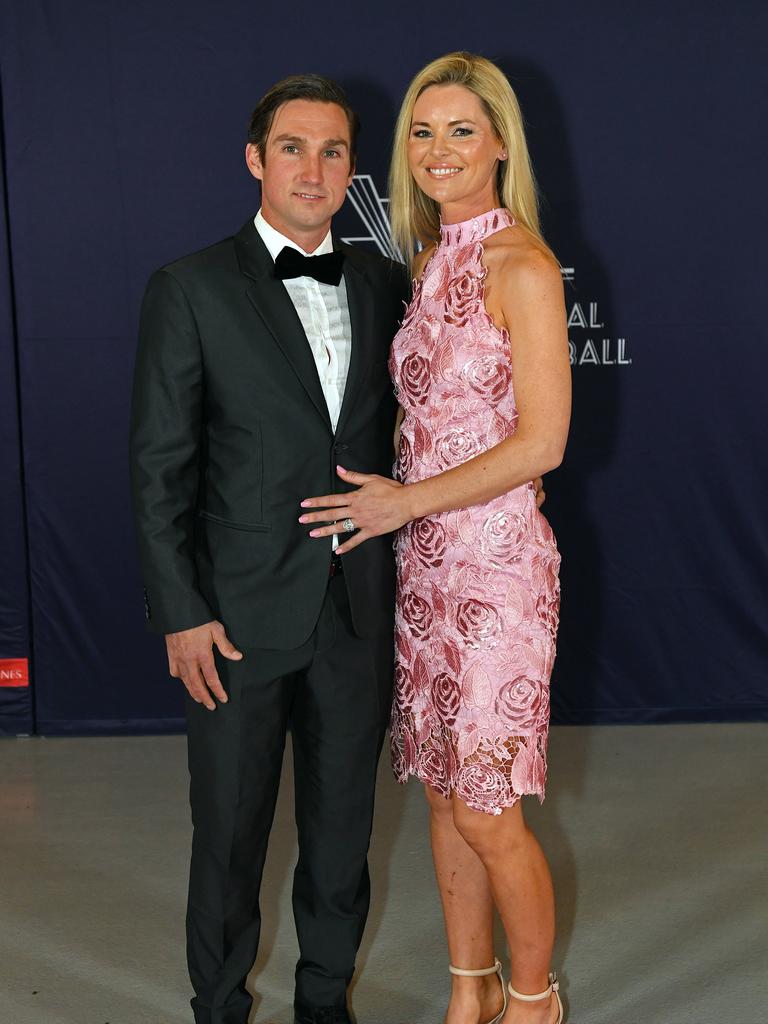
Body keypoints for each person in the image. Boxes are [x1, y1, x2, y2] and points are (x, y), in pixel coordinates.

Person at [129, 75, 410, 1024]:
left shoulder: (382, 282)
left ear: (352, 168)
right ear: (255, 160)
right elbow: (158, 469)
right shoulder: (191, 287)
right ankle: (219, 1006)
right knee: (231, 835)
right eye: (293, 147)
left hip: (358, 609)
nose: (314, 168)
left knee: (343, 832)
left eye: (334, 151)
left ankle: (325, 1002)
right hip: (236, 617)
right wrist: (181, 611)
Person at [300, 53, 570, 1024]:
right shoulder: (427, 265)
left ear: (501, 143)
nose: (439, 149)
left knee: (491, 809)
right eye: (423, 130)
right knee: (447, 803)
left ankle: (535, 1002)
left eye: (462, 129)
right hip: (426, 580)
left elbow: (543, 440)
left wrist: (405, 504)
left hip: (498, 573)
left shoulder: (524, 265)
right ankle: (472, 994)